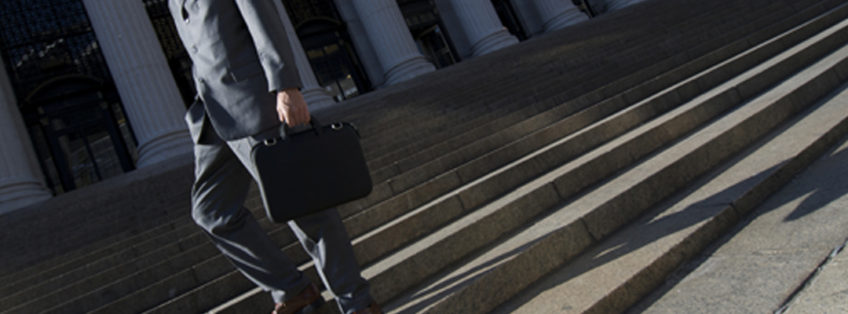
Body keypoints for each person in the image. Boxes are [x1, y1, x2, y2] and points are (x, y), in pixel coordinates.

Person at [167, 1, 380, 313]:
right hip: (214, 114)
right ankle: (293, 288)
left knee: (307, 208)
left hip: (254, 100)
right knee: (211, 211)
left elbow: (264, 19)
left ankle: (358, 303)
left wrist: (285, 86)